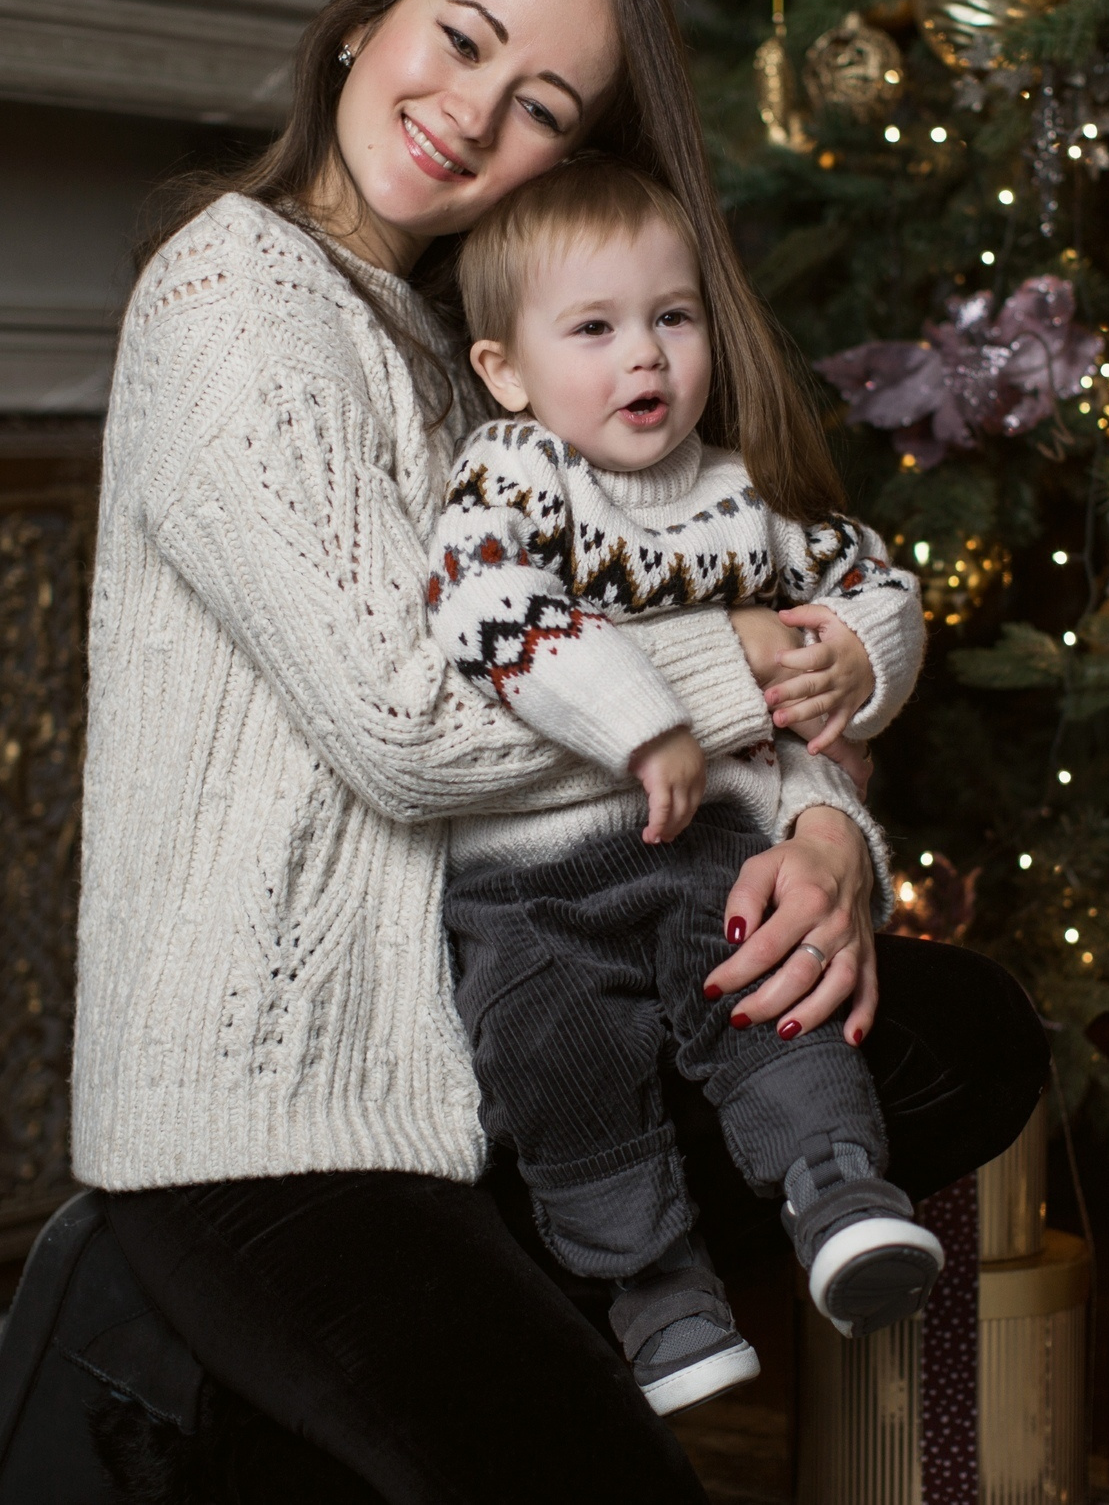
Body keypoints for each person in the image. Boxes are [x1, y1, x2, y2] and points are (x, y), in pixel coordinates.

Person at [28, 0, 1046, 1504]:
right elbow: (413, 720)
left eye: (539, 105)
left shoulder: (482, 346)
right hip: (272, 1112)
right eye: (461, 41)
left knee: (969, 1035)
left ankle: (422, 1342)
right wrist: (756, 675)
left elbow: (732, 577)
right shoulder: (234, 304)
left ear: (562, 163)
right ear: (369, 15)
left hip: (485, 1024)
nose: (467, 114)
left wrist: (828, 839)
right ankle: (180, 1347)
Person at [426, 158, 938, 1416]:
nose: (642, 359)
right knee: (553, 1059)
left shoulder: (744, 493)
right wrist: (645, 719)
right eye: (592, 330)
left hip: (706, 839)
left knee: (767, 987)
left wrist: (862, 660)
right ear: (507, 370)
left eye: (671, 317)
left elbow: (875, 578)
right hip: (525, 883)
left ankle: (838, 1194)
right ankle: (655, 1295)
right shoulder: (514, 475)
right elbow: (482, 603)